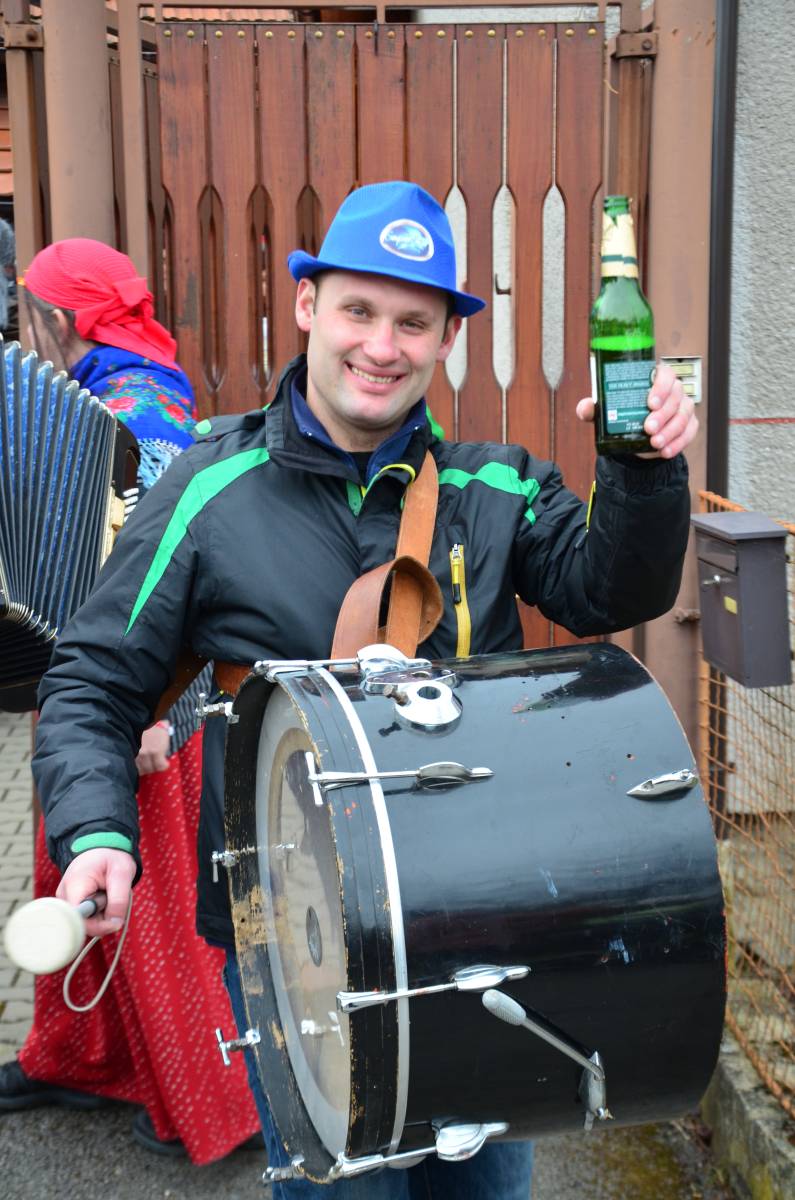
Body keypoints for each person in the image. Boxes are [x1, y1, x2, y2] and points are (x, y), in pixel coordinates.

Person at [30, 183, 697, 1196]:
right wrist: (97, 833)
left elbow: (616, 590)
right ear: (308, 307)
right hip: (292, 934)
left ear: (445, 341)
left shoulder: (494, 487)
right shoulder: (208, 488)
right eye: (358, 311)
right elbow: (94, 677)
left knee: (486, 1183)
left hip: (479, 919)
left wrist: (642, 466)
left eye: (412, 323)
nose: (382, 347)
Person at [0, 239, 260, 1163]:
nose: (22, 325)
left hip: (138, 708)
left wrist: (155, 715)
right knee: (67, 877)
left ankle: (220, 1104)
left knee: (152, 912)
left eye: (30, 310)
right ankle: (80, 1058)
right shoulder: (100, 391)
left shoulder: (142, 413)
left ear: (62, 319)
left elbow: (173, 587)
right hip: (76, 699)